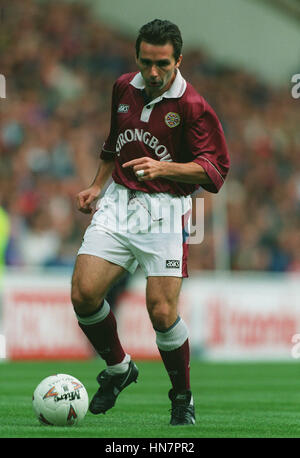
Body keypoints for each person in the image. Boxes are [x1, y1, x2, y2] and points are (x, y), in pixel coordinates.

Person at [71, 19, 229, 426]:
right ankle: (120, 368)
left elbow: (214, 172)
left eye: (162, 63)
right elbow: (112, 144)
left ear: (178, 59)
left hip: (166, 210)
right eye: (146, 63)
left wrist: (165, 167)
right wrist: (95, 186)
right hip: (119, 203)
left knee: (161, 313)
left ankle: (182, 396)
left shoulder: (194, 107)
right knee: (84, 294)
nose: (153, 73)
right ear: (137, 58)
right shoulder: (124, 86)